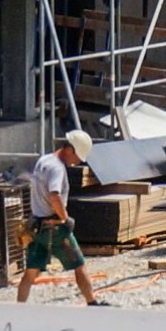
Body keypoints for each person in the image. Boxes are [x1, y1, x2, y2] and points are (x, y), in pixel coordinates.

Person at [17, 129, 105, 306]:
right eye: (78, 156)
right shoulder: (57, 168)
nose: (78, 161)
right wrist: (65, 219)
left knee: (31, 271)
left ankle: (19, 308)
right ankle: (92, 302)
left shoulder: (44, 161)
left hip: (36, 226)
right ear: (70, 149)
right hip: (54, 227)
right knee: (79, 265)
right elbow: (54, 196)